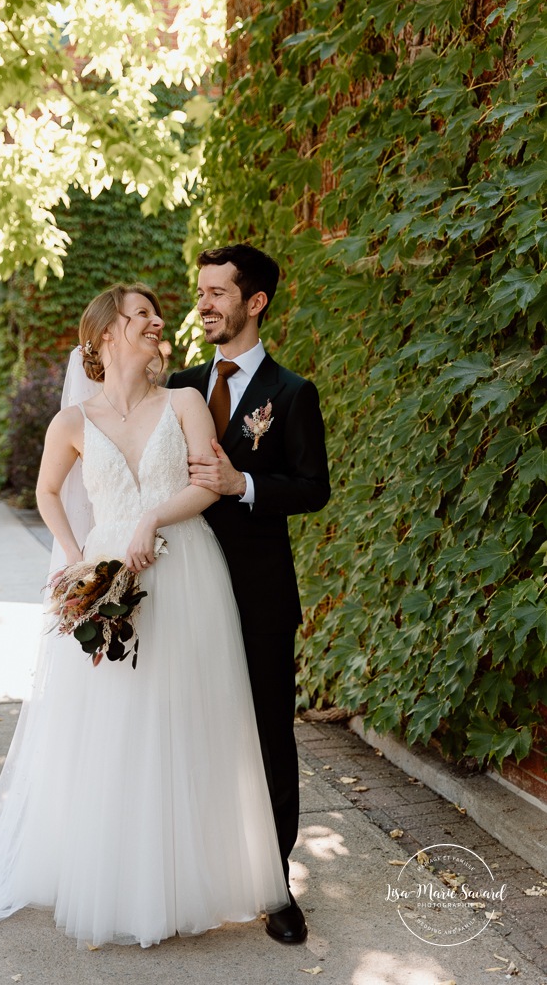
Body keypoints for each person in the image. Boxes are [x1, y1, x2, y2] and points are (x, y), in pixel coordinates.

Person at [0, 284, 288, 958]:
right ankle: (125, 883)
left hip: (187, 570)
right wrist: (78, 558)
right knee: (116, 723)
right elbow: (46, 490)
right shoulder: (72, 424)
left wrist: (150, 517)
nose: (156, 323)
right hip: (111, 572)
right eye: (141, 316)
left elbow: (205, 482)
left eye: (156, 317)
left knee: (186, 719)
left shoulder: (185, 403)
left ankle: (187, 882)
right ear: (107, 333)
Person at [168, 244, 330, 944]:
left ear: (253, 301)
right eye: (199, 291)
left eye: (216, 293)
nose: (202, 303)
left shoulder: (291, 394)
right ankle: (190, 871)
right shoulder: (176, 386)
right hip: (177, 590)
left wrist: (246, 485)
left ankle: (275, 884)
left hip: (258, 595)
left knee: (267, 737)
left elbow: (312, 487)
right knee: (181, 732)